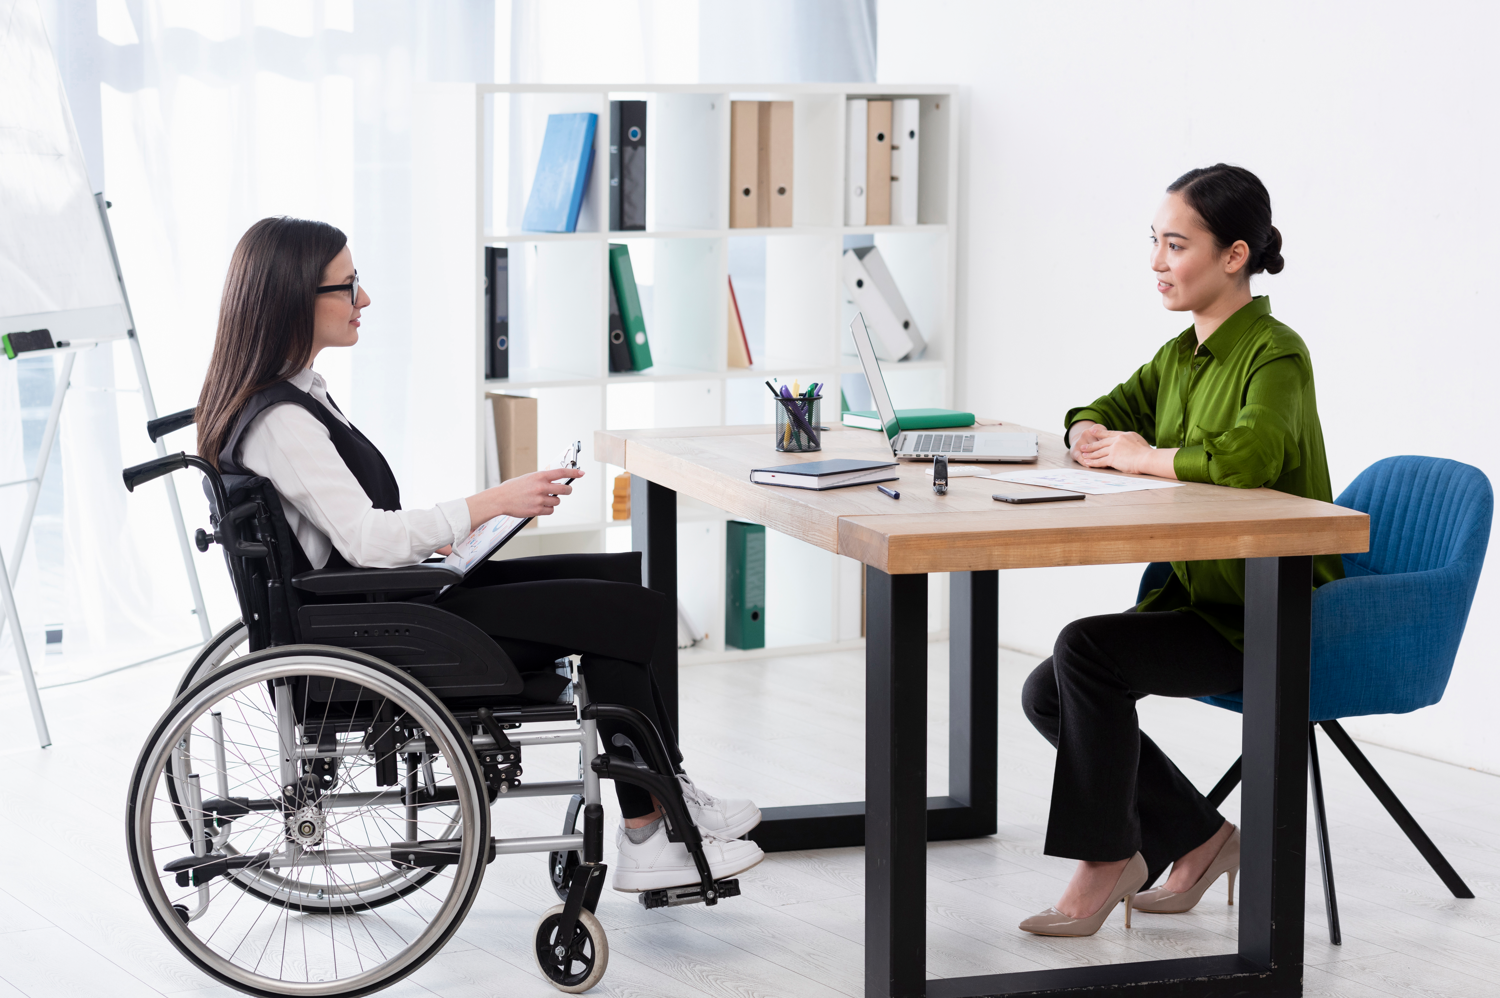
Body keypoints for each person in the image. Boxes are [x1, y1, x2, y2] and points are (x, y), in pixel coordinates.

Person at [194, 216, 763, 893]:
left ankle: (667, 798)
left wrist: (461, 532)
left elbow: (351, 536)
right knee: (622, 615)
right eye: (348, 287)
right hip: (375, 633)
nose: (364, 301)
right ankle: (654, 828)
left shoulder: (291, 400)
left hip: (380, 605)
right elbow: (368, 540)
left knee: (614, 581)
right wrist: (491, 504)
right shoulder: (282, 420)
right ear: (293, 297)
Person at [1018, 164, 1341, 937]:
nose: (1157, 263)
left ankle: (1110, 859)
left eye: (1174, 244)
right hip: (1204, 601)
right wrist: (1088, 434)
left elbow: (1248, 458)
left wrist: (1141, 458)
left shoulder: (1276, 354)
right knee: (1050, 689)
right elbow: (1100, 408)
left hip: (1269, 615)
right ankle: (1202, 837)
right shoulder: (1179, 356)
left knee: (1084, 651)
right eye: (1154, 244)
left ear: (1234, 256)